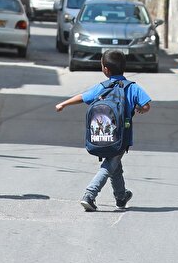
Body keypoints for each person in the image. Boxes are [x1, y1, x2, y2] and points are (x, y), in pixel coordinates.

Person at [56, 50, 152, 211]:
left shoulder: (102, 87)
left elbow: (82, 97)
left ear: (105, 69)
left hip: (101, 135)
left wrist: (63, 104)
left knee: (115, 164)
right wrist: (140, 109)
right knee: (110, 164)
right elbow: (147, 106)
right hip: (122, 136)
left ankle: (121, 197)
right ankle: (90, 194)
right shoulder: (132, 87)